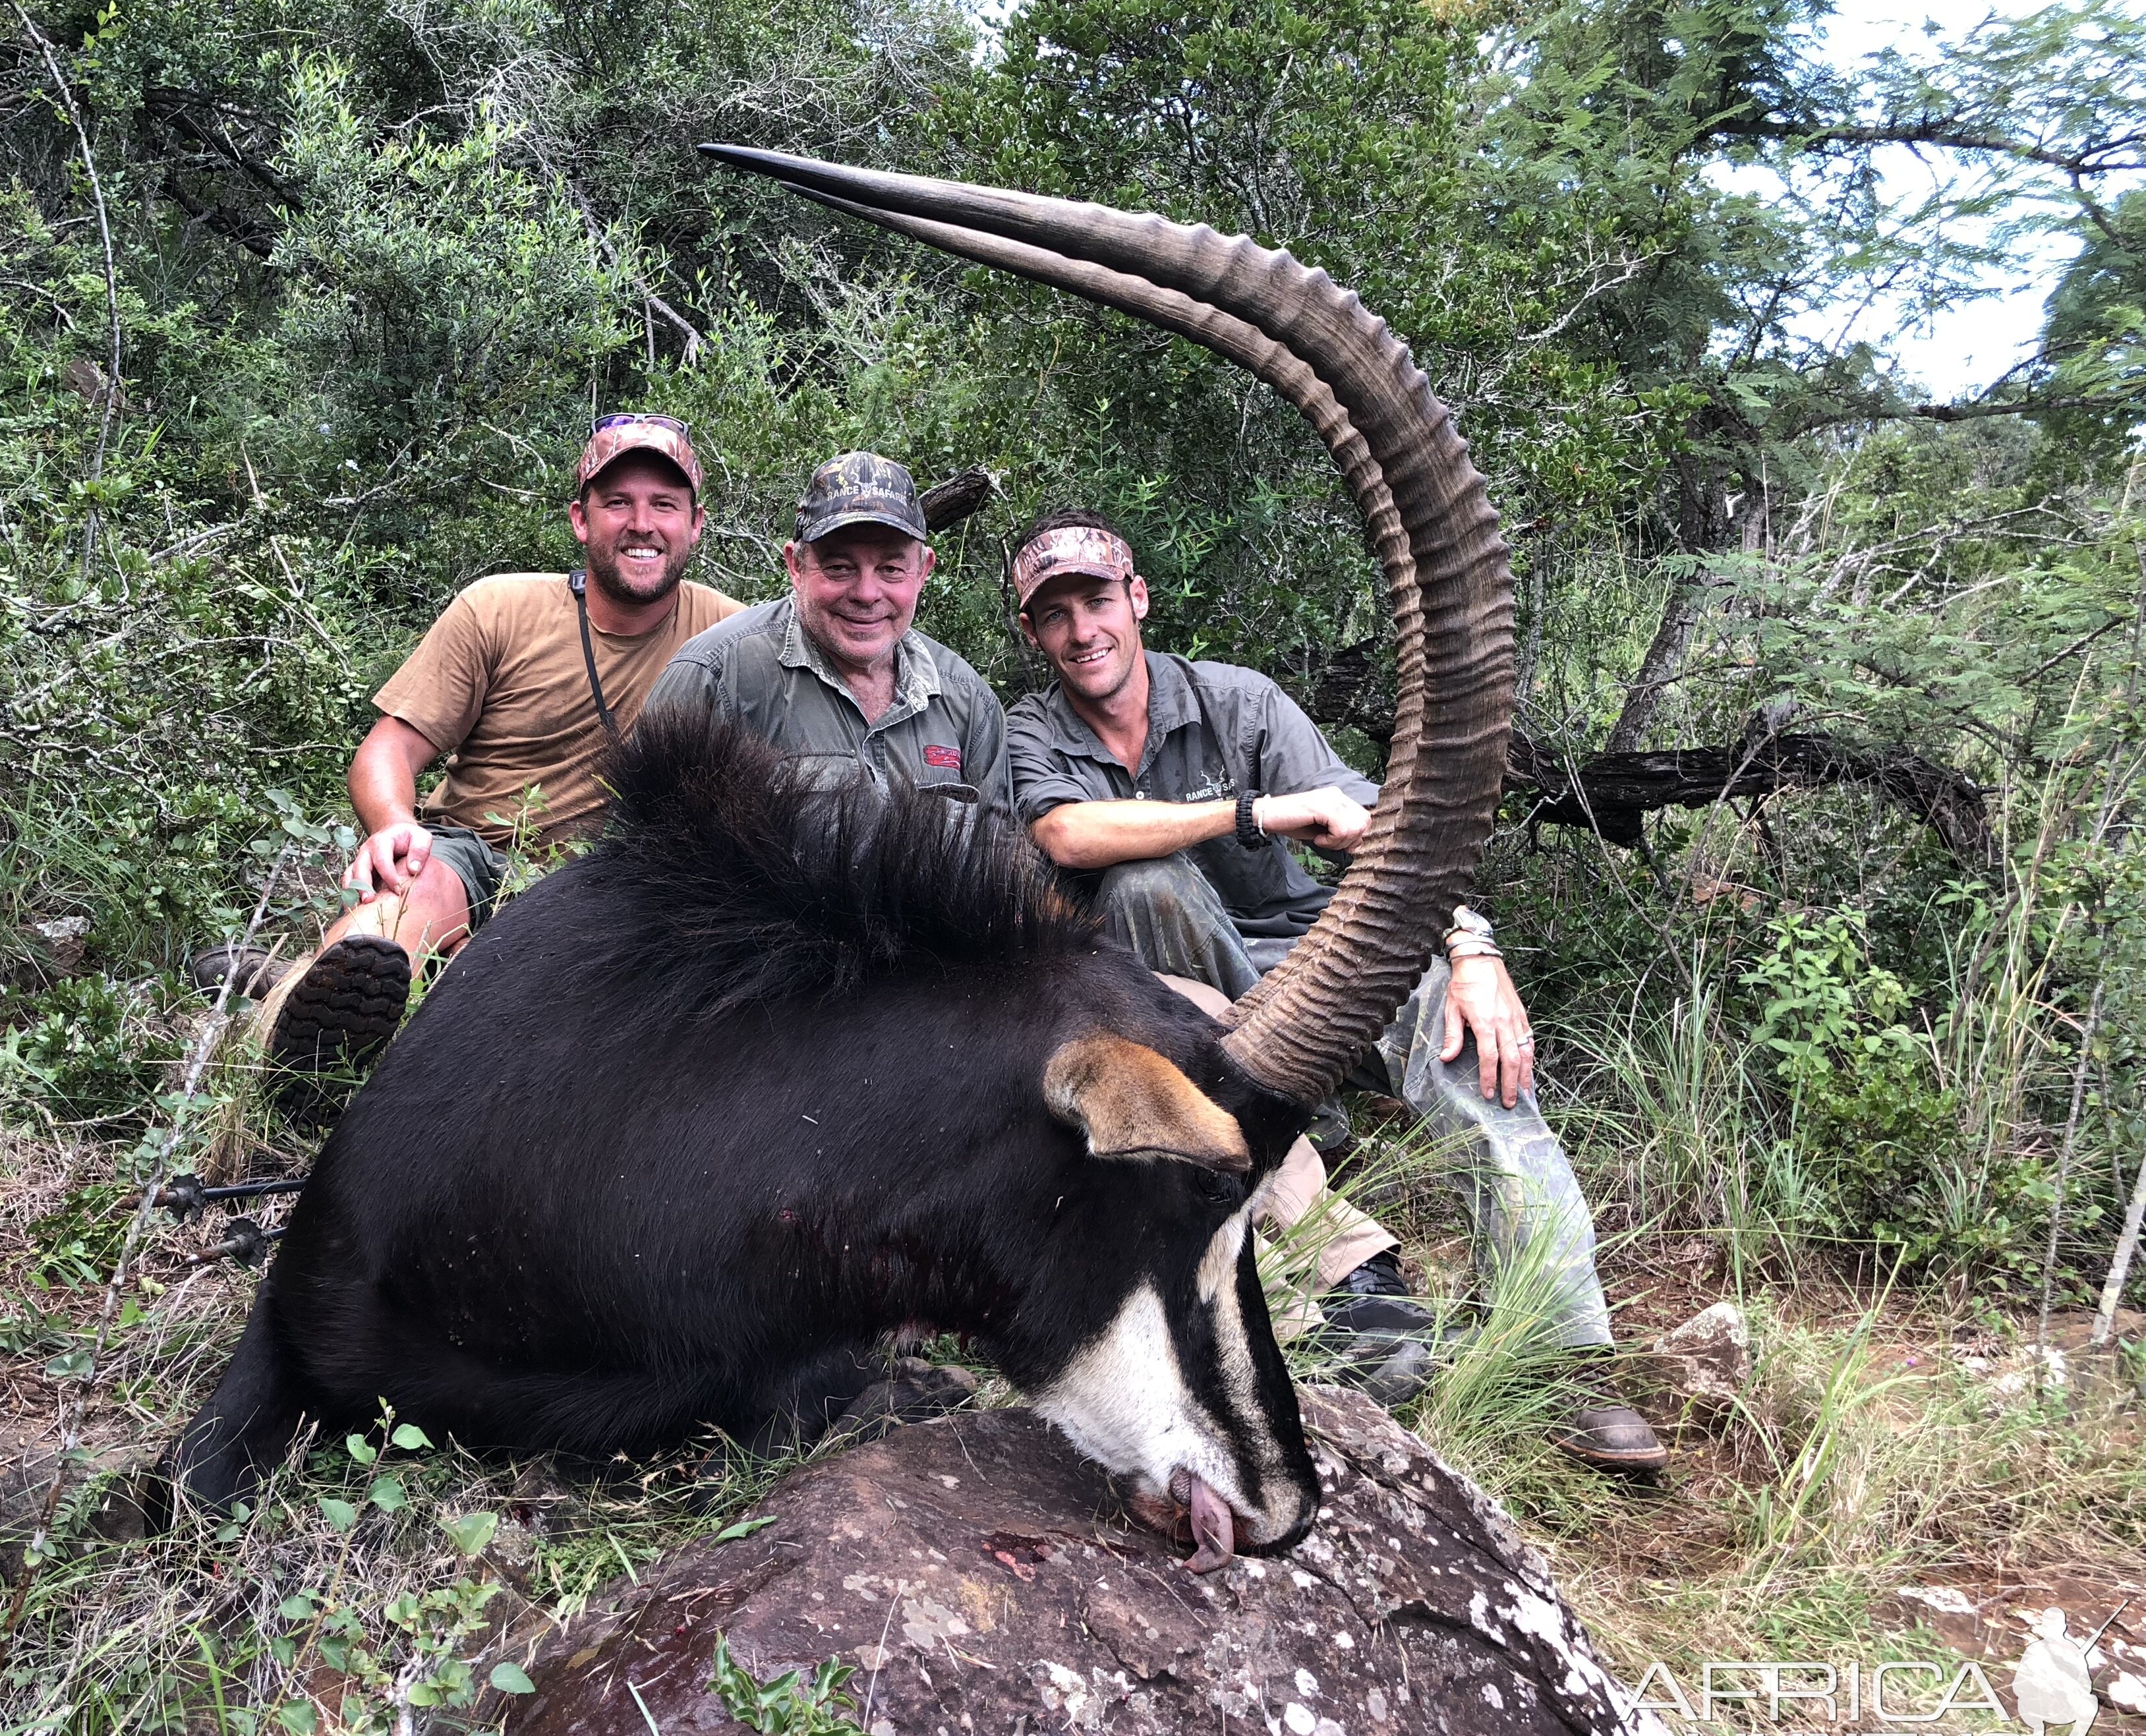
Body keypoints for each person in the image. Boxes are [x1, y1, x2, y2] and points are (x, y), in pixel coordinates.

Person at [1002, 508, 1666, 1477]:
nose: (1081, 629)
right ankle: (1328, 1245)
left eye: (1097, 599)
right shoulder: (1030, 730)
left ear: (1136, 598)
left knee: (1469, 1038)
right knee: (1147, 894)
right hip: (1183, 1008)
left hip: (1314, 967)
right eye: (1054, 613)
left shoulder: (1242, 702)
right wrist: (1256, 811)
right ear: (1033, 633)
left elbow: (1385, 833)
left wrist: (1472, 950)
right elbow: (1066, 836)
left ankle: (1563, 1357)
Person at [224, 414, 743, 1119]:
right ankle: (301, 1062)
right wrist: (392, 827)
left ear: (696, 524)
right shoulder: (497, 609)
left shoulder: (738, 638)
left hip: (621, 882)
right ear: (580, 520)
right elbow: (387, 750)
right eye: (617, 503)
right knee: (408, 890)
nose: (641, 523)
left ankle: (318, 984)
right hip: (475, 854)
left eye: (664, 505)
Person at [645, 451, 1008, 809]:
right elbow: (645, 852)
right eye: (839, 568)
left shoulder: (967, 700)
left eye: (891, 569)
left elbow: (1000, 850)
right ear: (796, 566)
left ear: (923, 571)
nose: (867, 594)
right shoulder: (716, 678)